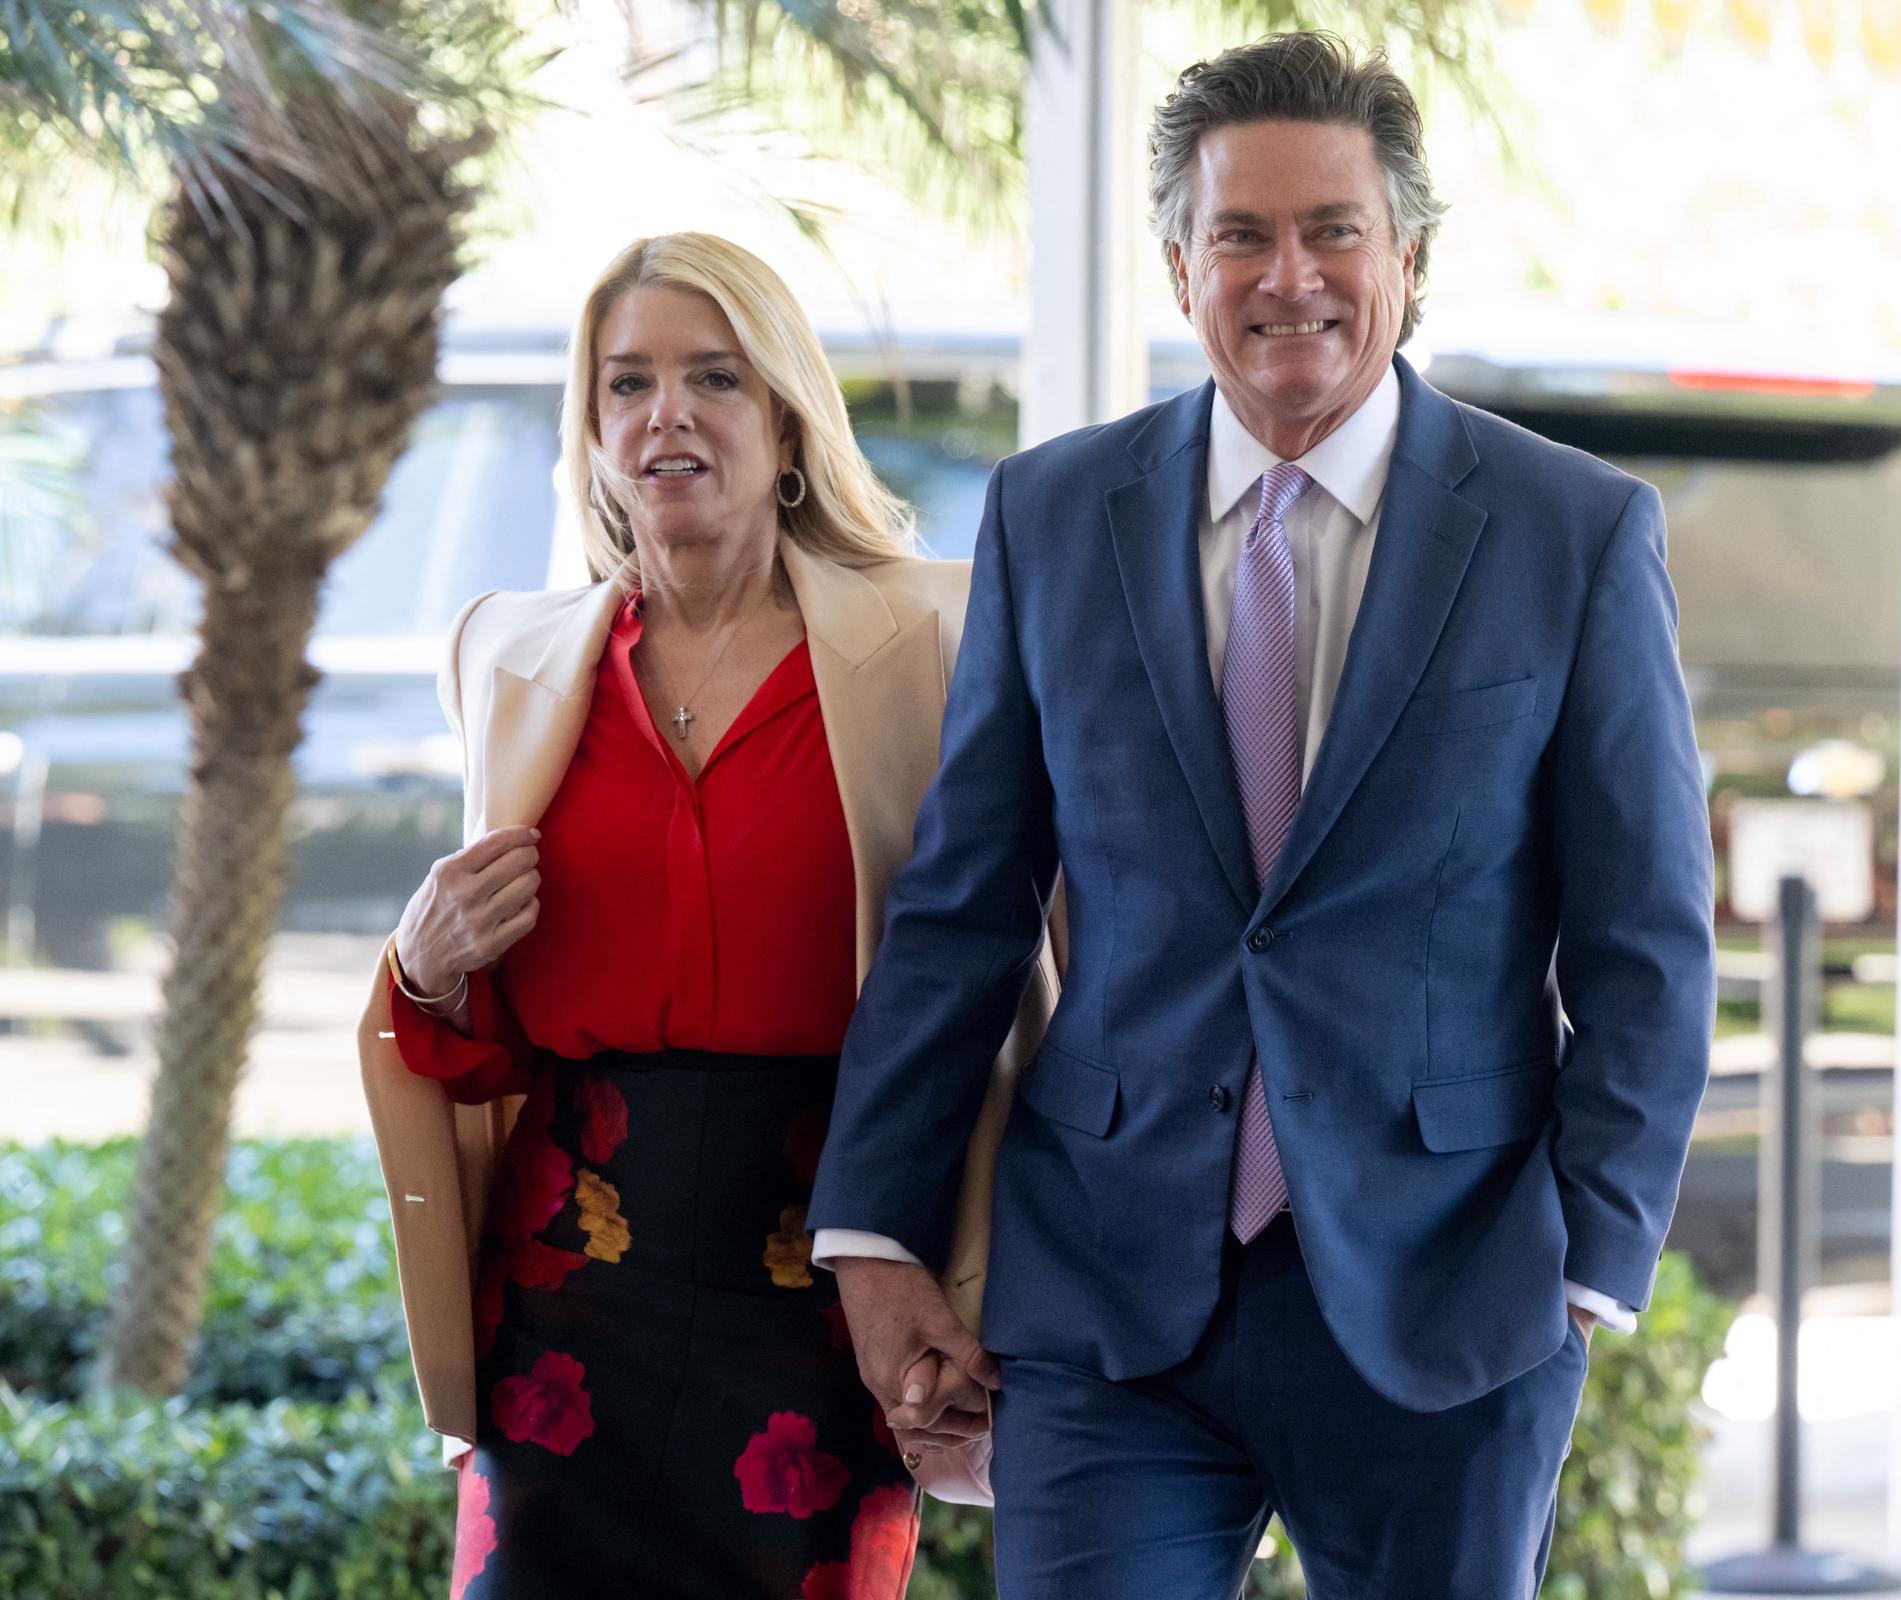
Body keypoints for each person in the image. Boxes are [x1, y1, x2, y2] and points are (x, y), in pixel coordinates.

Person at [807, 31, 1716, 1599]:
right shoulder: (1050, 516)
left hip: (1454, 1294)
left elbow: (1647, 941)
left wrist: (1585, 1264)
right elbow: (965, 905)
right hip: (1110, 1291)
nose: (1288, 274)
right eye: (1240, 232)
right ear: (1179, 268)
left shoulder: (1572, 535)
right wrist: (875, 1235)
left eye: (1332, 230)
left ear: (1407, 259)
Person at [355, 231, 1050, 1599]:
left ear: (785, 420)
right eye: (627, 383)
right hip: (563, 1302)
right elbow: (484, 1034)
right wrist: (425, 972)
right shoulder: (508, 655)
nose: (665, 413)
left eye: (712, 377)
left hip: (830, 1279)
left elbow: (1024, 974)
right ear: (595, 432)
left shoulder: (941, 639)